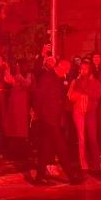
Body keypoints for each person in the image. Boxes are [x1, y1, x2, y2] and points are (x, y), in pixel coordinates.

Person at [31, 49, 80, 184]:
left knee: (45, 149)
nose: (68, 71)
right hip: (49, 119)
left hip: (53, 119)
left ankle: (39, 178)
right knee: (61, 148)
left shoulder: (58, 79)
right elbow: (38, 97)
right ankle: (71, 176)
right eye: (67, 68)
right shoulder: (47, 78)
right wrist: (39, 113)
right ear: (60, 67)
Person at [68, 59, 101, 175]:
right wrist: (78, 83)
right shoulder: (76, 81)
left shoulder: (95, 82)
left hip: (90, 112)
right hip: (78, 111)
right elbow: (70, 95)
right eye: (81, 68)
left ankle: (96, 164)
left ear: (89, 70)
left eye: (85, 68)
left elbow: (98, 94)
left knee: (92, 138)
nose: (82, 70)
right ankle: (84, 164)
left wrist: (85, 88)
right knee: (81, 138)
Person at [1, 60, 33, 171]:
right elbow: (8, 80)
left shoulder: (28, 75)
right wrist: (7, 70)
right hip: (15, 105)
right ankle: (14, 153)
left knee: (22, 130)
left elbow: (26, 84)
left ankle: (22, 153)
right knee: (14, 128)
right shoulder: (15, 76)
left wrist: (18, 76)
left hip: (23, 104)